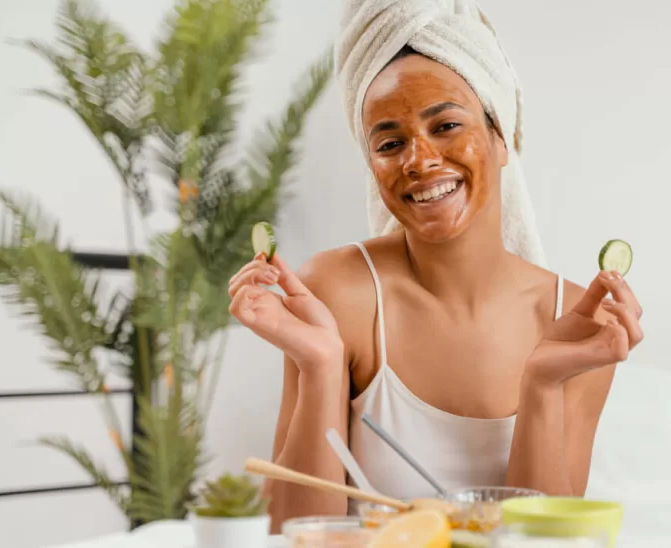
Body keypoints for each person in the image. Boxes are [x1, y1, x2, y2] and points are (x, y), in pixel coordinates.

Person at [228, 1, 644, 534]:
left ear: (502, 137)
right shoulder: (338, 291)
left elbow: (543, 542)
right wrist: (322, 364)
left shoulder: (576, 319)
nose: (418, 160)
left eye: (445, 125)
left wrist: (541, 383)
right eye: (389, 142)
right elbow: (293, 533)